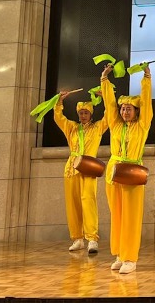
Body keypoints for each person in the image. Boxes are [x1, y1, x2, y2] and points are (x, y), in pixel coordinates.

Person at [100, 63, 152, 274]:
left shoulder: (142, 125)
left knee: (131, 215)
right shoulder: (116, 125)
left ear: (136, 111)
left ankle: (131, 258)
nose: (124, 111)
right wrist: (104, 79)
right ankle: (120, 254)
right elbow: (109, 103)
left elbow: (147, 104)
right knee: (117, 214)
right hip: (114, 171)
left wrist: (146, 78)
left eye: (129, 109)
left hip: (132, 170)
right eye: (123, 108)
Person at [54, 87, 109, 253]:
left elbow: (109, 117)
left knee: (88, 201)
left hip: (89, 168)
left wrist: (106, 97)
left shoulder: (97, 128)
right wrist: (59, 101)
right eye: (81, 113)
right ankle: (77, 238)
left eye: (86, 113)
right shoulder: (72, 128)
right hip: (72, 168)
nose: (83, 115)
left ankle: (92, 238)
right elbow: (59, 118)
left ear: (91, 114)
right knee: (73, 203)